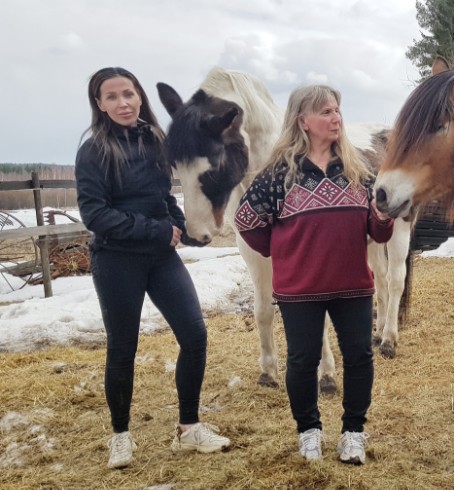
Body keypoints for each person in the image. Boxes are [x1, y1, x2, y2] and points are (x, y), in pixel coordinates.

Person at [76, 67, 231, 469]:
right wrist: (155, 230)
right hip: (115, 259)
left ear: (140, 97)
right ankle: (120, 435)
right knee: (123, 348)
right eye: (112, 97)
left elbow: (164, 198)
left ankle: (188, 427)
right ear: (99, 104)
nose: (123, 103)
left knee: (194, 336)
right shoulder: (93, 150)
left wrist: (179, 225)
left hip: (161, 257)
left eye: (128, 94)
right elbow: (95, 214)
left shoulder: (155, 141)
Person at [235, 84, 393, 465]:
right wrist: (282, 252)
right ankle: (309, 431)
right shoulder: (278, 175)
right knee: (302, 361)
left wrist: (383, 217)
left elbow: (379, 232)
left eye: (337, 110)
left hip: (353, 285)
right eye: (325, 111)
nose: (335, 117)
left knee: (358, 358)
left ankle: (353, 432)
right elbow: (246, 220)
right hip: (299, 289)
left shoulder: (358, 170)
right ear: (302, 120)